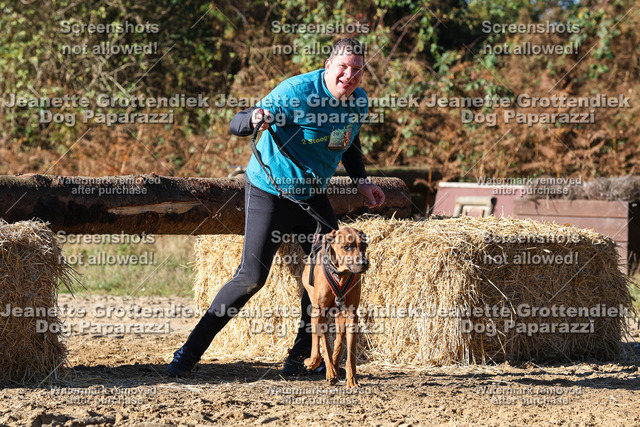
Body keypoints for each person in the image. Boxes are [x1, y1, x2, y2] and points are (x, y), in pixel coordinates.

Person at [167, 38, 385, 377]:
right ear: (328, 66)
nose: (349, 75)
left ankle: (301, 359)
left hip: (312, 196)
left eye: (357, 69)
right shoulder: (296, 92)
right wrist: (257, 116)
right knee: (251, 278)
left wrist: (362, 182)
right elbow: (237, 123)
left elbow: (349, 140)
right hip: (270, 192)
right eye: (343, 66)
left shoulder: (358, 101)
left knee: (325, 272)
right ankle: (187, 355)